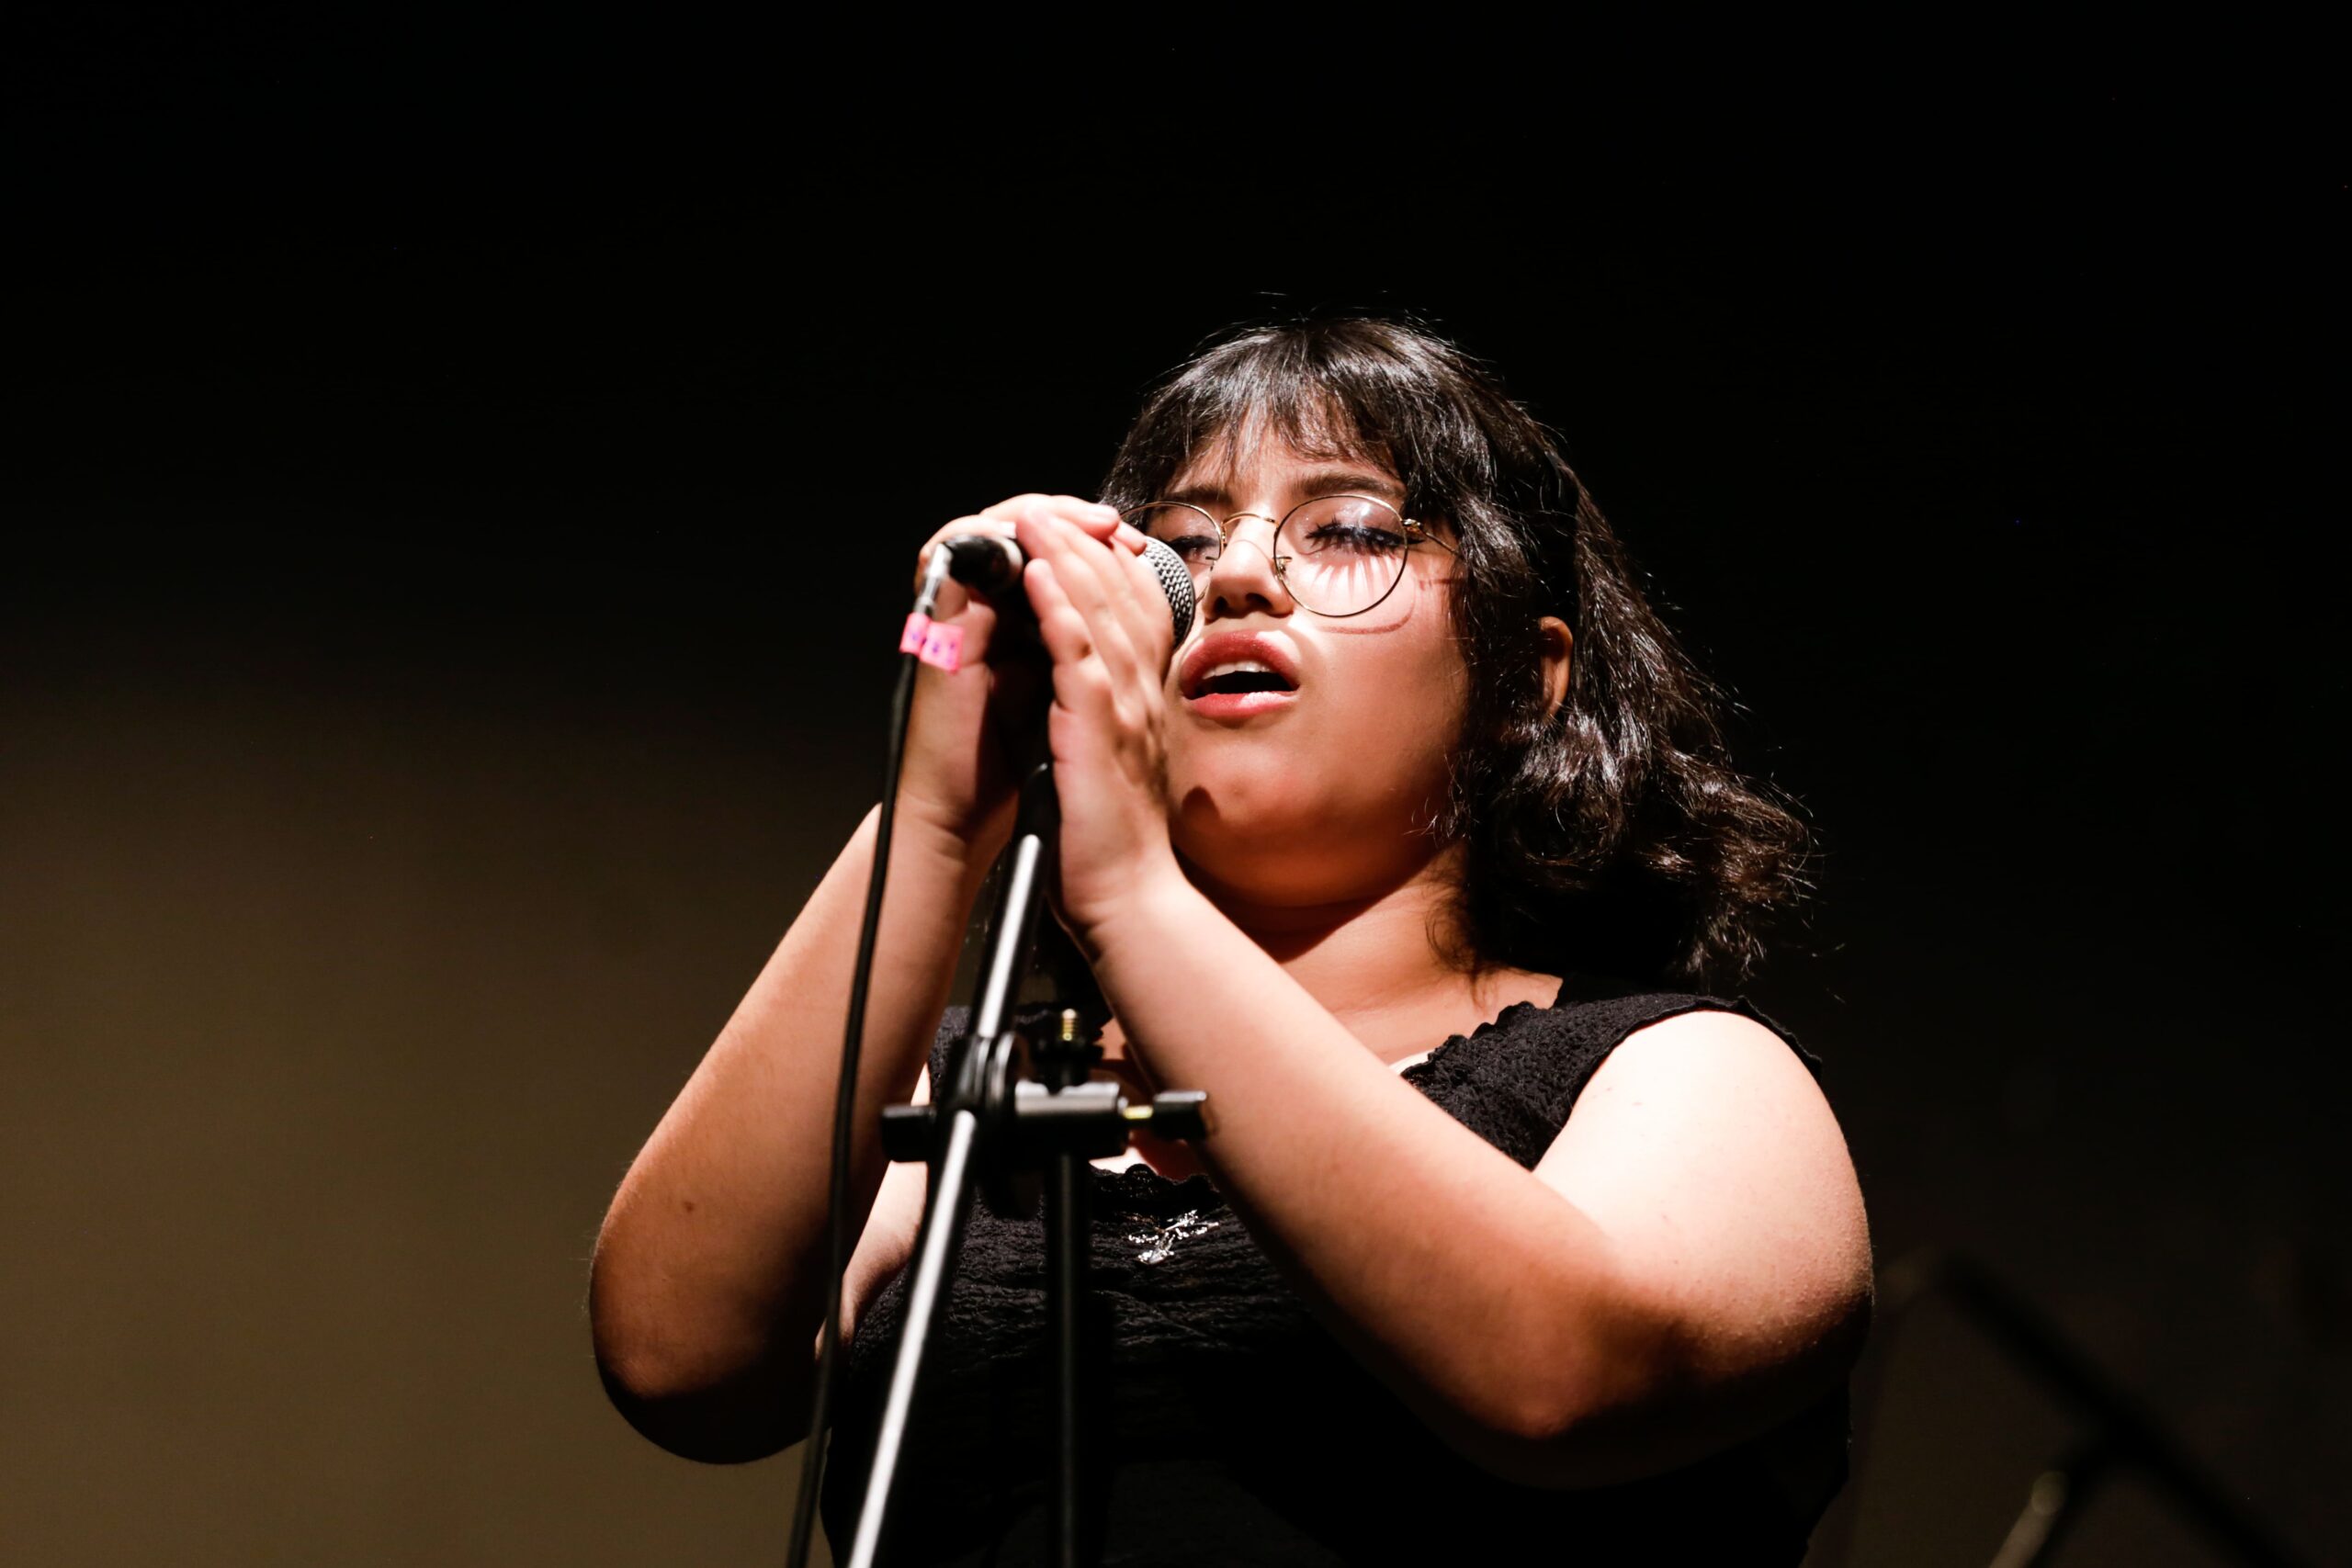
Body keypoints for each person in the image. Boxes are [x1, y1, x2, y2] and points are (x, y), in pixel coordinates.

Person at [589, 316, 1875, 1563]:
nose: (1238, 577)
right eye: (1182, 543)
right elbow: (676, 1358)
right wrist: (938, 811)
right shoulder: (977, 1097)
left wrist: (1130, 895)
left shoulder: (1683, 1070)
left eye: (1351, 529)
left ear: (1522, 681)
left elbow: (1560, 1377)